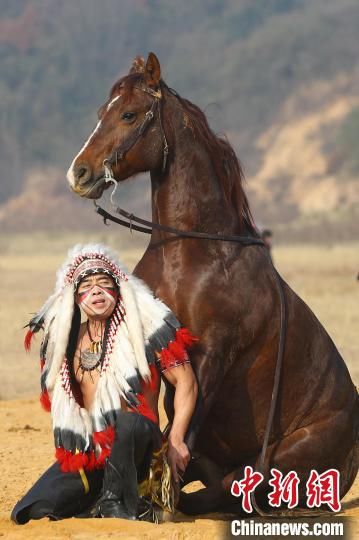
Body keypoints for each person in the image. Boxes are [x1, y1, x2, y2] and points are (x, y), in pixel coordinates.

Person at [11, 244, 198, 524]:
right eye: (86, 285)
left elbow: (186, 382)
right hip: (94, 455)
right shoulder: (67, 341)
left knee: (129, 422)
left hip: (140, 451)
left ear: (118, 288)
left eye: (104, 282)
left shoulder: (144, 327)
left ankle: (119, 503)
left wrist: (176, 439)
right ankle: (102, 499)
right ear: (74, 297)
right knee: (30, 510)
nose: (96, 290)